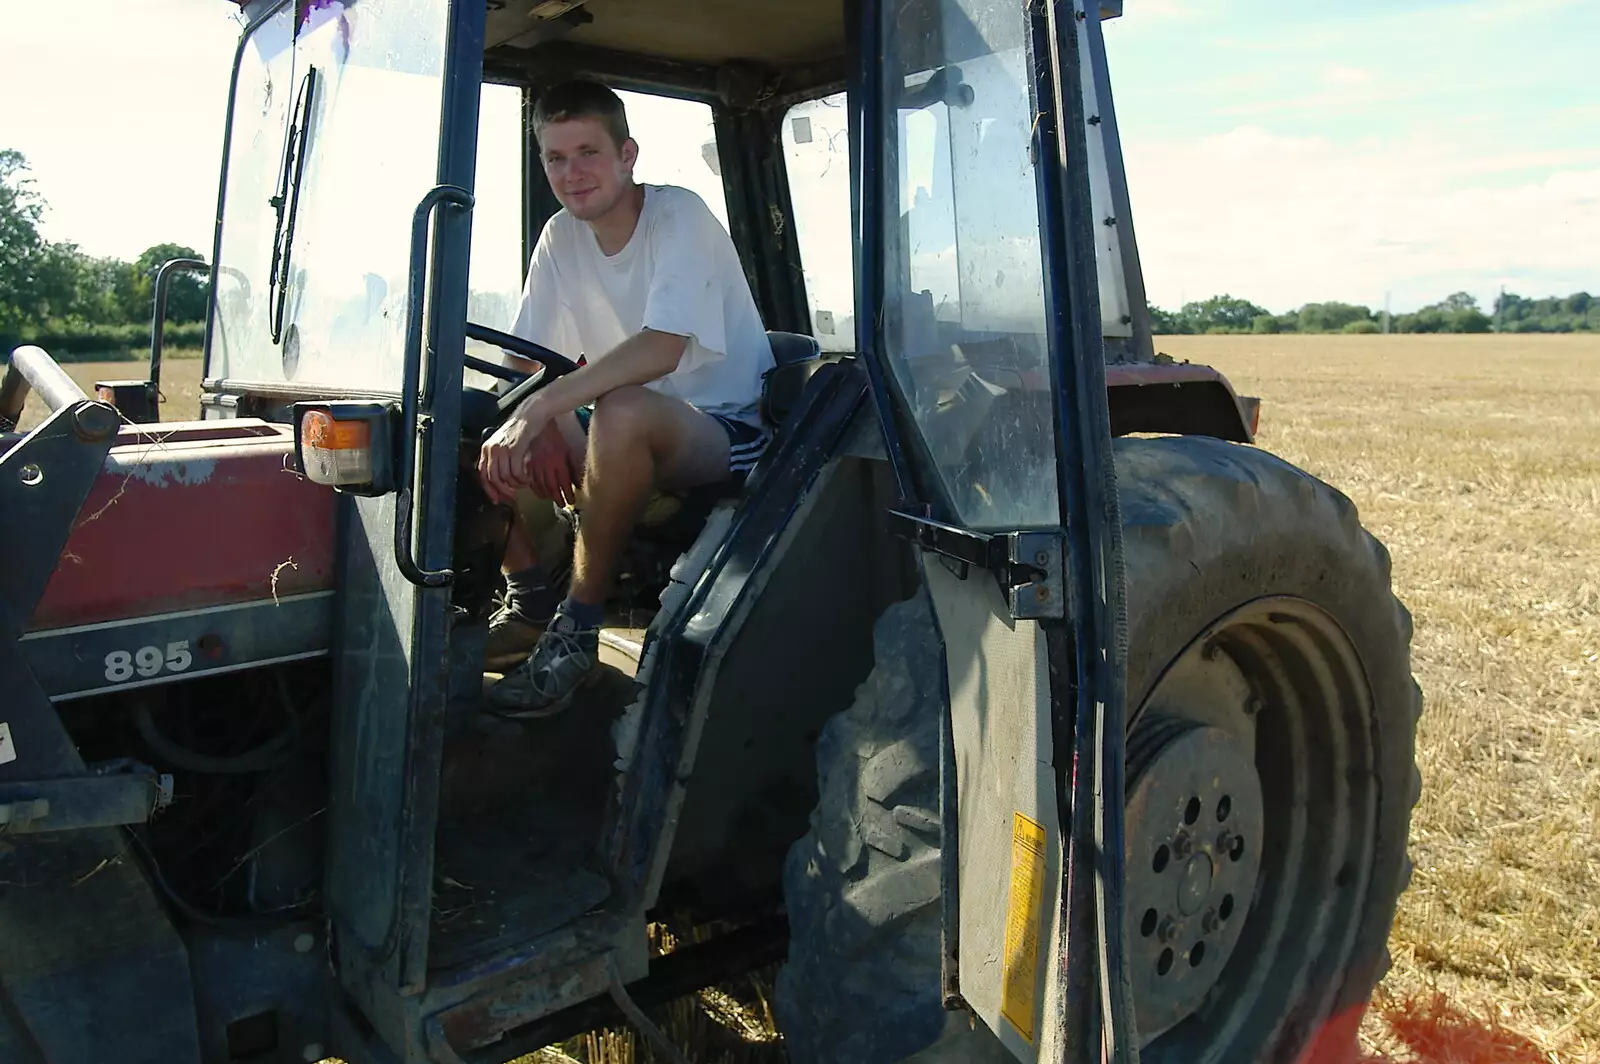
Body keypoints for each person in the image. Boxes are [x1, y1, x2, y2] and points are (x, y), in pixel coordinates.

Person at [477, 79, 774, 717]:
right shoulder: (561, 237)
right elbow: (521, 362)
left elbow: (660, 349)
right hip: (615, 421)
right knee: (461, 419)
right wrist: (545, 420)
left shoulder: (679, 215)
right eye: (555, 158)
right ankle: (529, 599)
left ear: (627, 154)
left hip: (721, 428)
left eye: (587, 152)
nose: (572, 172)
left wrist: (546, 406)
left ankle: (577, 630)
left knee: (621, 408)